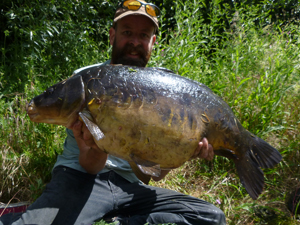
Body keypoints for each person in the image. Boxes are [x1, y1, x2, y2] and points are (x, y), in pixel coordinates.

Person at [0, 1, 226, 224]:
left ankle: (118, 222)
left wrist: (180, 152)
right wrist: (97, 146)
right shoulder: (87, 80)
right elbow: (90, 166)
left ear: (153, 42)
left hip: (130, 187)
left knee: (211, 217)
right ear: (112, 35)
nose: (135, 42)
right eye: (127, 32)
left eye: (144, 35)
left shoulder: (163, 94)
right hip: (79, 179)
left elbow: (147, 175)